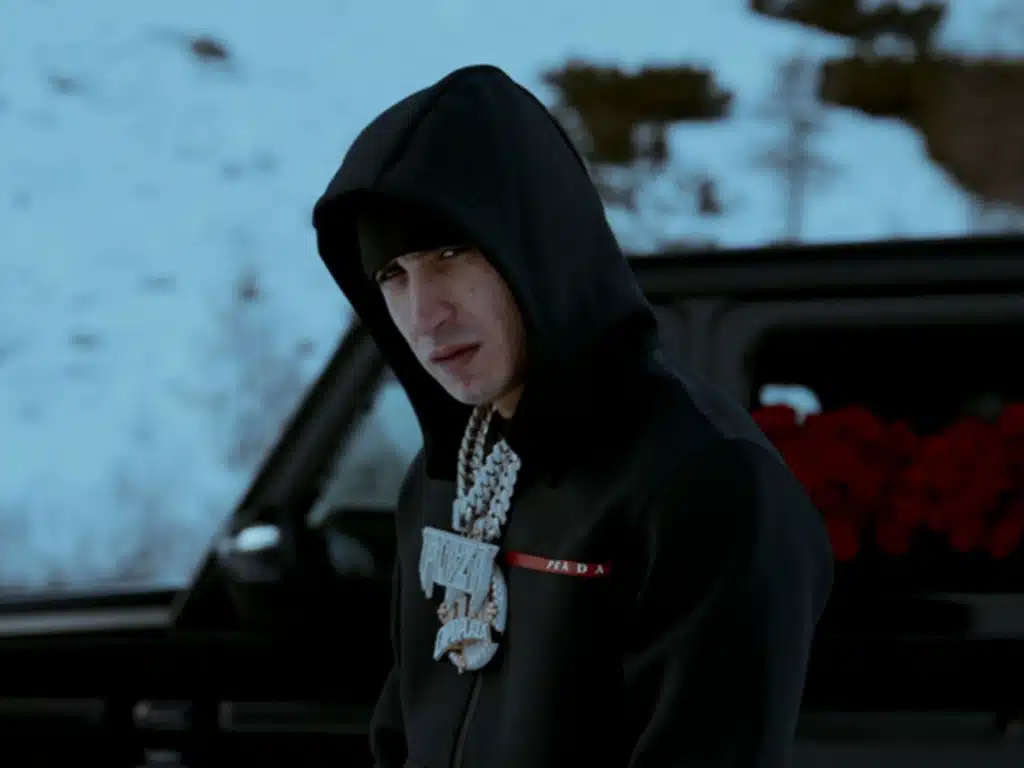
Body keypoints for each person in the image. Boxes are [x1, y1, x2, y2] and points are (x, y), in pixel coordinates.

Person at [312, 64, 834, 768]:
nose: (424, 314)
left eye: (451, 253)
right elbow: (402, 738)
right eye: (392, 275)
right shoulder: (441, 482)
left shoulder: (706, 481)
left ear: (535, 243)